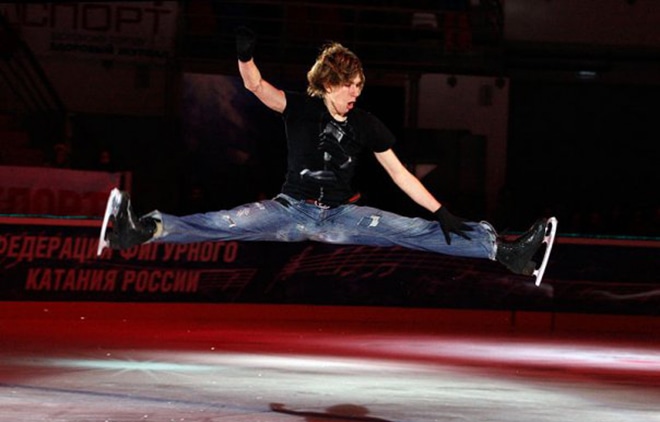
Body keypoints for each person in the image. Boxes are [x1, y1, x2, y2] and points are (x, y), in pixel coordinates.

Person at [104, 28, 552, 280]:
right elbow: (255, 86)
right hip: (289, 210)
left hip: (341, 217)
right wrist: (245, 55)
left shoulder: (365, 123)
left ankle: (505, 252)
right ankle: (141, 230)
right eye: (349, 86)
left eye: (359, 86)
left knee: (416, 230)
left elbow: (400, 175)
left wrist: (441, 211)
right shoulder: (300, 108)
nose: (356, 93)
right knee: (224, 222)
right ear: (330, 83)